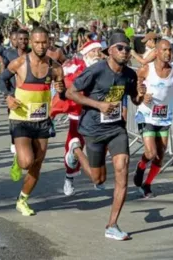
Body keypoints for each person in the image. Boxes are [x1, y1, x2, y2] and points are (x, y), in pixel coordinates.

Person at [66, 33, 145, 240]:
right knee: (97, 179)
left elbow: (134, 99)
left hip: (116, 128)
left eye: (127, 49)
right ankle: (75, 150)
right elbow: (70, 93)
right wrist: (98, 104)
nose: (125, 52)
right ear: (109, 50)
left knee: (122, 169)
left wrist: (140, 95)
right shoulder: (96, 70)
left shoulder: (130, 74)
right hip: (93, 129)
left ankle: (112, 225)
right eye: (120, 48)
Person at [0, 27, 65, 216]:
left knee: (38, 162)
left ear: (49, 42)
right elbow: (1, 79)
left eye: (44, 42)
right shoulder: (20, 63)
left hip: (42, 120)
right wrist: (8, 96)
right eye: (37, 42)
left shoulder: (55, 67)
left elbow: (64, 92)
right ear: (31, 43)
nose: (41, 46)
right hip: (21, 118)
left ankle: (22, 200)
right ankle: (18, 158)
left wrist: (61, 89)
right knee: (27, 162)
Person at [134, 39, 173, 198]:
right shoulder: (146, 69)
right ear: (157, 52)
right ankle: (141, 166)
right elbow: (137, 86)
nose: (168, 53)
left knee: (160, 155)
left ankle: (147, 184)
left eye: (170, 50)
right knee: (151, 153)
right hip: (146, 115)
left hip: (164, 117)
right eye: (165, 50)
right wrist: (141, 94)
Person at [51, 41, 104, 196]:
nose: (97, 54)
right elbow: (65, 85)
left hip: (97, 116)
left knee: (99, 148)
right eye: (94, 51)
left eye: (99, 51)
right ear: (86, 53)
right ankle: (69, 178)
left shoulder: (103, 67)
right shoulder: (75, 67)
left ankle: (98, 175)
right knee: (74, 146)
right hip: (78, 115)